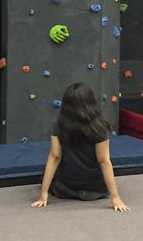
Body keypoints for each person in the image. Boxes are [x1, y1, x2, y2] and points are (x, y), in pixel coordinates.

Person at [32, 82, 129, 212]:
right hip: (96, 189)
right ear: (91, 103)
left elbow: (55, 157)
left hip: (65, 187)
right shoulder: (100, 126)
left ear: (66, 105)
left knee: (46, 173)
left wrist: (43, 194)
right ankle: (85, 191)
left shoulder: (59, 125)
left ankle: (70, 190)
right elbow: (104, 161)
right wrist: (115, 197)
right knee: (105, 166)